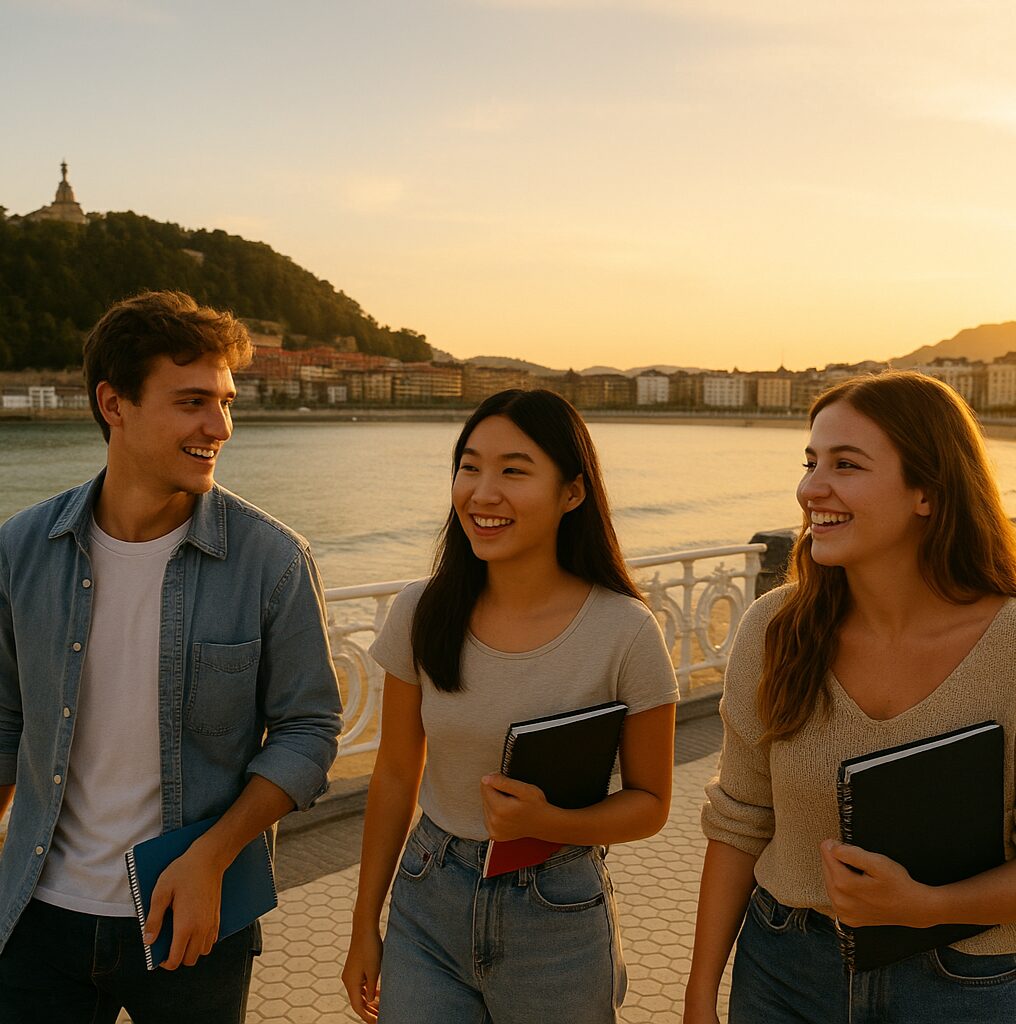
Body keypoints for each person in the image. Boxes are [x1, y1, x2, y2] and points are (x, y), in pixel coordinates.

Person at [0, 291, 343, 1023]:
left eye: (225, 402)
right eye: (192, 402)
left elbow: (309, 731)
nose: (219, 427)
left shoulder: (272, 560)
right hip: (36, 912)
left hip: (195, 913)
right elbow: (4, 719)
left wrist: (212, 857)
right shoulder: (21, 549)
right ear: (113, 404)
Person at [684, 370, 1016, 1024]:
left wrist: (927, 907)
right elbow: (740, 821)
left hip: (965, 984)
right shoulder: (775, 629)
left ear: (927, 491)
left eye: (846, 464)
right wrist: (699, 995)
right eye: (810, 462)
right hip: (782, 971)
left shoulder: (1008, 646)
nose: (811, 488)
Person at [341, 388, 678, 1023]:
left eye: (513, 471)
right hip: (428, 896)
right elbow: (395, 774)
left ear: (572, 493)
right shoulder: (421, 610)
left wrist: (551, 822)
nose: (482, 493)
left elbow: (651, 804)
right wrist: (364, 924)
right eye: (469, 467)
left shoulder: (625, 631)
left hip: (557, 908)